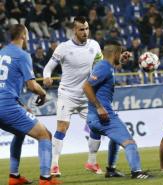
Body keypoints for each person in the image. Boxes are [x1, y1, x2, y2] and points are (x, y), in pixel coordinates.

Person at [43, 16, 106, 176]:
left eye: (86, 28)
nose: (85, 32)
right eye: (81, 29)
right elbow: (48, 68)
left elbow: (100, 67)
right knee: (62, 127)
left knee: (96, 127)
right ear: (74, 30)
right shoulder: (63, 47)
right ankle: (54, 165)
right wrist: (47, 76)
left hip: (86, 96)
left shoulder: (95, 45)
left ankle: (91, 162)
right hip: (67, 94)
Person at [82, 39, 152, 179]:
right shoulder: (104, 67)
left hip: (93, 118)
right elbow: (86, 86)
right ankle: (137, 172)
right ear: (115, 52)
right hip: (102, 116)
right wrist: (100, 107)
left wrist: (121, 60)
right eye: (119, 53)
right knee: (129, 143)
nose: (121, 56)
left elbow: (108, 70)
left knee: (115, 139)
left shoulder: (106, 66)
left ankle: (111, 170)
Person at [0, 24, 60, 185]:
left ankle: (14, 177)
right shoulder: (22, 55)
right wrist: (43, 93)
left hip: (5, 103)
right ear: (23, 36)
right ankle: (46, 179)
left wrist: (18, 104)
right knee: (45, 134)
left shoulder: (1, 53)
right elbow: (31, 85)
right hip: (6, 105)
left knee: (19, 133)